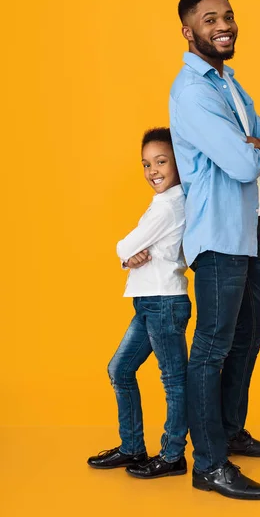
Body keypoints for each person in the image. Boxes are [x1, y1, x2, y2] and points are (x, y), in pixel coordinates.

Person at [169, 0, 260, 500]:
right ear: (188, 31)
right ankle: (209, 464)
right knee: (212, 346)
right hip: (217, 234)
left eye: (229, 16)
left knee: (251, 330)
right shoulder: (192, 92)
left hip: (246, 227)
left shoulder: (230, 84)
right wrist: (256, 148)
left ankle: (230, 431)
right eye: (210, 18)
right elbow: (244, 163)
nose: (224, 25)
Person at [87, 127, 191, 480]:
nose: (153, 171)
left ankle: (173, 455)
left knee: (174, 380)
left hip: (164, 300)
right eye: (146, 164)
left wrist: (125, 253)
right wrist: (128, 257)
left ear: (178, 163)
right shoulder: (162, 203)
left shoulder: (171, 205)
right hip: (149, 301)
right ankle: (132, 446)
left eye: (161, 162)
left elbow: (123, 245)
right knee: (120, 370)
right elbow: (130, 252)